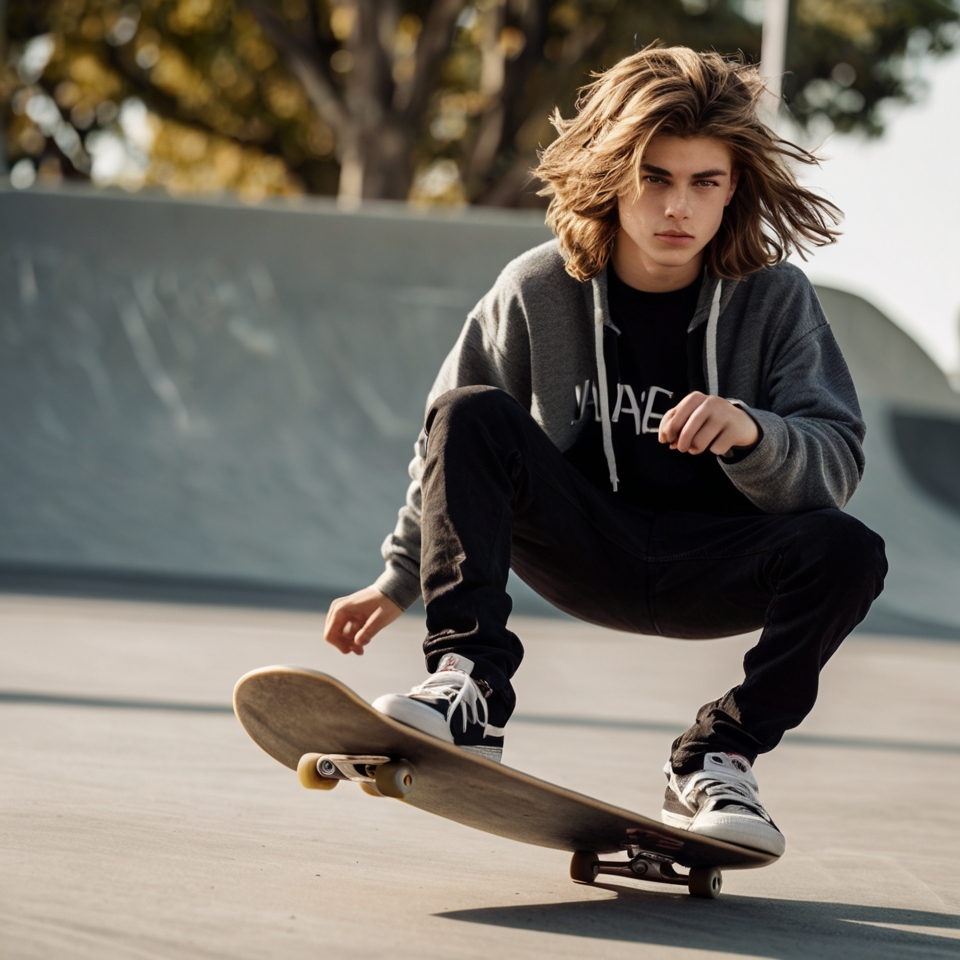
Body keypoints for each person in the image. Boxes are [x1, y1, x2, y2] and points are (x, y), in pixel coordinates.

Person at [322, 45, 887, 857]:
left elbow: (836, 463)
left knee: (848, 549)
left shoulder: (774, 299)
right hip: (583, 545)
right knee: (473, 409)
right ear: (612, 173)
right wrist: (397, 577)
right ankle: (470, 684)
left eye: (706, 183)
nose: (677, 209)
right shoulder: (538, 288)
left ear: (735, 190)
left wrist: (754, 431)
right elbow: (447, 442)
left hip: (713, 563)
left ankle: (719, 756)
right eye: (654, 178)